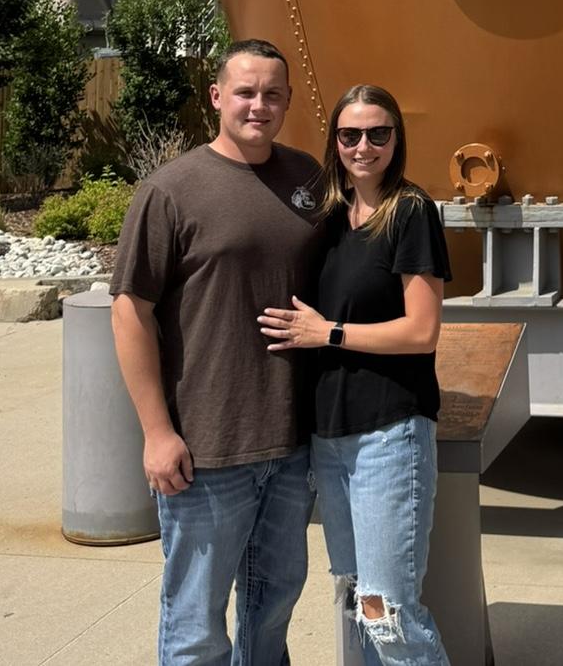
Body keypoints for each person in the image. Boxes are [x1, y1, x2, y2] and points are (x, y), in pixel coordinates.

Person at [110, 38, 324, 666]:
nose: (259, 105)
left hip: (291, 444)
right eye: (245, 92)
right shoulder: (171, 190)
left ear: (287, 100)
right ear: (216, 97)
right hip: (206, 450)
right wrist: (157, 433)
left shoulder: (308, 179)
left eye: (272, 94)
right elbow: (129, 311)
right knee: (196, 628)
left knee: (272, 610)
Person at [258, 84, 452, 666]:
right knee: (355, 602)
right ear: (334, 142)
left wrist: (330, 333)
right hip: (330, 439)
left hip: (388, 434)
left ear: (397, 138)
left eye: (377, 133)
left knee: (387, 612)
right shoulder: (330, 219)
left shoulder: (411, 212)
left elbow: (422, 331)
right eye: (350, 135)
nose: (363, 146)